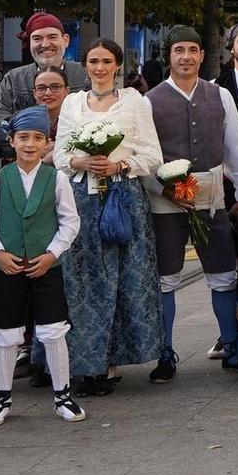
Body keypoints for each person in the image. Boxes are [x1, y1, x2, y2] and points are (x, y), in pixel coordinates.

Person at [53, 39, 164, 396]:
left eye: (106, 61)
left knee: (120, 280)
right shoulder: (72, 102)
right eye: (93, 61)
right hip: (81, 198)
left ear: (117, 65)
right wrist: (81, 161)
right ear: (84, 65)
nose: (99, 68)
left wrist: (119, 164)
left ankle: (110, 363)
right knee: (83, 283)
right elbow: (59, 153)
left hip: (122, 196)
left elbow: (152, 155)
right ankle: (84, 363)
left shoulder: (134, 101)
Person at [145, 26, 238, 378]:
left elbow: (236, 147)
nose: (186, 57)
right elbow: (143, 156)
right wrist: (163, 189)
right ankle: (165, 352)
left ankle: (231, 344)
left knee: (224, 273)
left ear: (202, 55)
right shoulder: (150, 101)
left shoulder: (219, 96)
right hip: (166, 198)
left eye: (193, 49)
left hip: (210, 195)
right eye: (179, 51)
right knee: (166, 276)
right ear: (169, 56)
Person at [0, 107, 85, 426]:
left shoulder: (57, 179)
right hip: (7, 268)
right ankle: (2, 397)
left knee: (53, 330)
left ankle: (62, 395)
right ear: (11, 140)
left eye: (37, 138)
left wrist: (52, 253)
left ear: (47, 143)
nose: (29, 144)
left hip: (46, 267)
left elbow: (70, 221)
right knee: (6, 334)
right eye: (23, 138)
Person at [0, 12, 89, 151]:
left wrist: (62, 146)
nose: (45, 44)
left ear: (65, 40)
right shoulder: (13, 79)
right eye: (37, 38)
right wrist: (35, 143)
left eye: (52, 37)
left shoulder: (85, 75)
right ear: (29, 43)